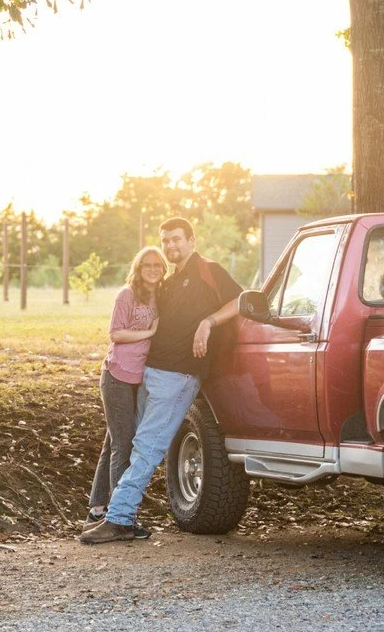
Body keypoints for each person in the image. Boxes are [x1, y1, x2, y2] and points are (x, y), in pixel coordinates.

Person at [80, 216, 242, 544]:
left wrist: (208, 322)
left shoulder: (209, 270)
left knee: (147, 448)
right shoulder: (169, 280)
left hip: (179, 377)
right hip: (149, 374)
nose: (170, 245)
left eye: (177, 239)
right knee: (124, 442)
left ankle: (120, 518)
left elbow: (241, 300)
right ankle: (103, 511)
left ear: (192, 241)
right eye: (165, 240)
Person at [84, 247, 163, 530]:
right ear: (138, 267)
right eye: (147, 264)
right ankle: (120, 516)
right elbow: (116, 334)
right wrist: (149, 333)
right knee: (123, 442)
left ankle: (98, 509)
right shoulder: (126, 294)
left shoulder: (162, 296)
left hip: (140, 379)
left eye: (157, 264)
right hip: (117, 375)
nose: (152, 268)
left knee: (113, 441)